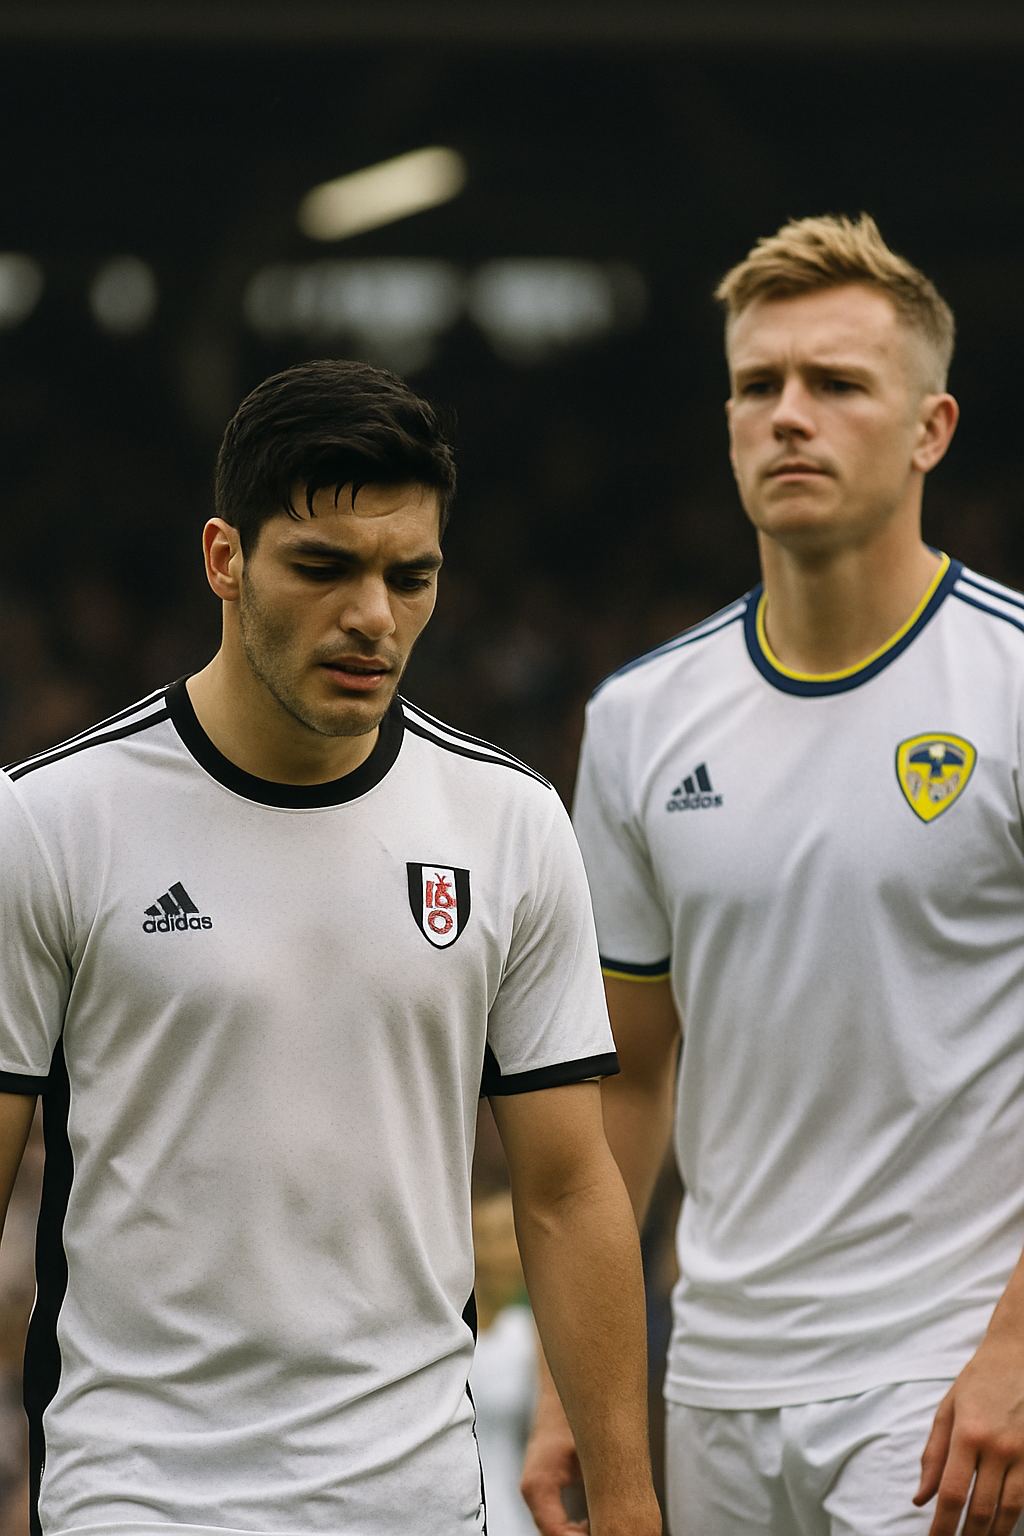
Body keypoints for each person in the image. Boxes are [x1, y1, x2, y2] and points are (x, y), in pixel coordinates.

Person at [0, 360, 661, 1536]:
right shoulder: (50, 821)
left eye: (411, 577)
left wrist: (626, 1499)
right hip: (135, 1494)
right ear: (224, 559)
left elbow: (567, 1190)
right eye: (322, 568)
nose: (373, 615)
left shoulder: (509, 824)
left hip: (413, 1498)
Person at [523, 214, 1024, 1536]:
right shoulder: (639, 719)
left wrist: (1017, 1349)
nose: (789, 414)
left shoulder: (1013, 683)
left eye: (837, 383)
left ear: (930, 429)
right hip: (716, 1380)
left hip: (947, 1379)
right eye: (759, 385)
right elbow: (625, 1079)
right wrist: (571, 1385)